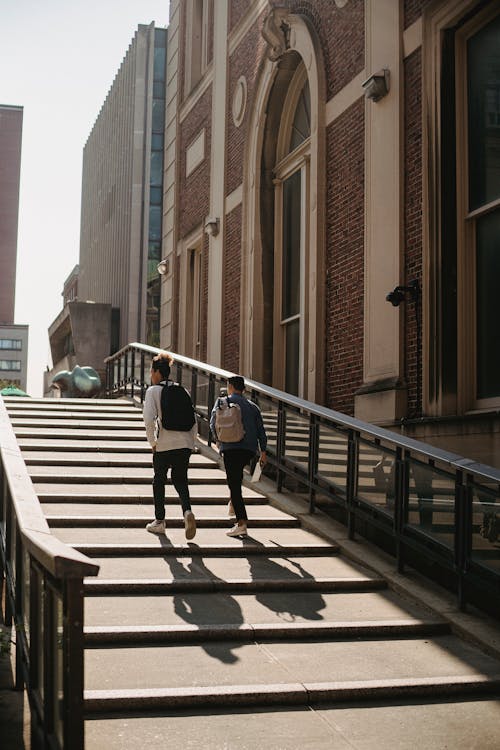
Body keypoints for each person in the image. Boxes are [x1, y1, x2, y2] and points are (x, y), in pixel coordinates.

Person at [142, 352, 197, 540]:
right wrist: (191, 443)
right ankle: (187, 511)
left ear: (158, 372)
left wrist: (153, 443)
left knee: (159, 480)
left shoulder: (153, 391)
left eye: (151, 371)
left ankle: (159, 521)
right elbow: (193, 419)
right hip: (184, 444)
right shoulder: (183, 390)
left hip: (164, 444)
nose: (151, 375)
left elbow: (149, 420)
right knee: (180, 479)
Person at [210, 375, 267, 537]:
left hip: (230, 447)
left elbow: (213, 423)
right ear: (243, 389)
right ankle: (233, 502)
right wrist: (263, 452)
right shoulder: (253, 407)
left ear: (230, 387)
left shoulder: (222, 402)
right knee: (236, 478)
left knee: (233, 483)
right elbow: (261, 432)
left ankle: (241, 522)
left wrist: (219, 442)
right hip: (248, 449)